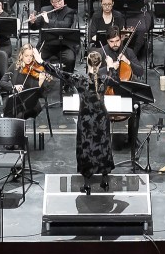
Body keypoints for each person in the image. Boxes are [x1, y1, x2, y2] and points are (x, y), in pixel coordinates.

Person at [34, 46, 113, 194]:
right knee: (103, 147)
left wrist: (41, 61)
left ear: (87, 64)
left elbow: (58, 73)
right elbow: (116, 79)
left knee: (86, 149)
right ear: (100, 64)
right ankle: (105, 181)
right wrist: (110, 66)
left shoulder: (80, 80)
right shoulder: (105, 79)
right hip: (102, 118)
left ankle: (87, 184)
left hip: (86, 121)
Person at [28, 0, 79, 81]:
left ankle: (67, 81)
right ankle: (38, 81)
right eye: (57, 1)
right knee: (36, 58)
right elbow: (35, 26)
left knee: (70, 58)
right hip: (47, 45)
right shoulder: (45, 10)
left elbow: (65, 25)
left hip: (64, 46)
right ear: (52, 3)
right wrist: (32, 22)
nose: (60, 2)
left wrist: (49, 21)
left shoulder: (69, 11)